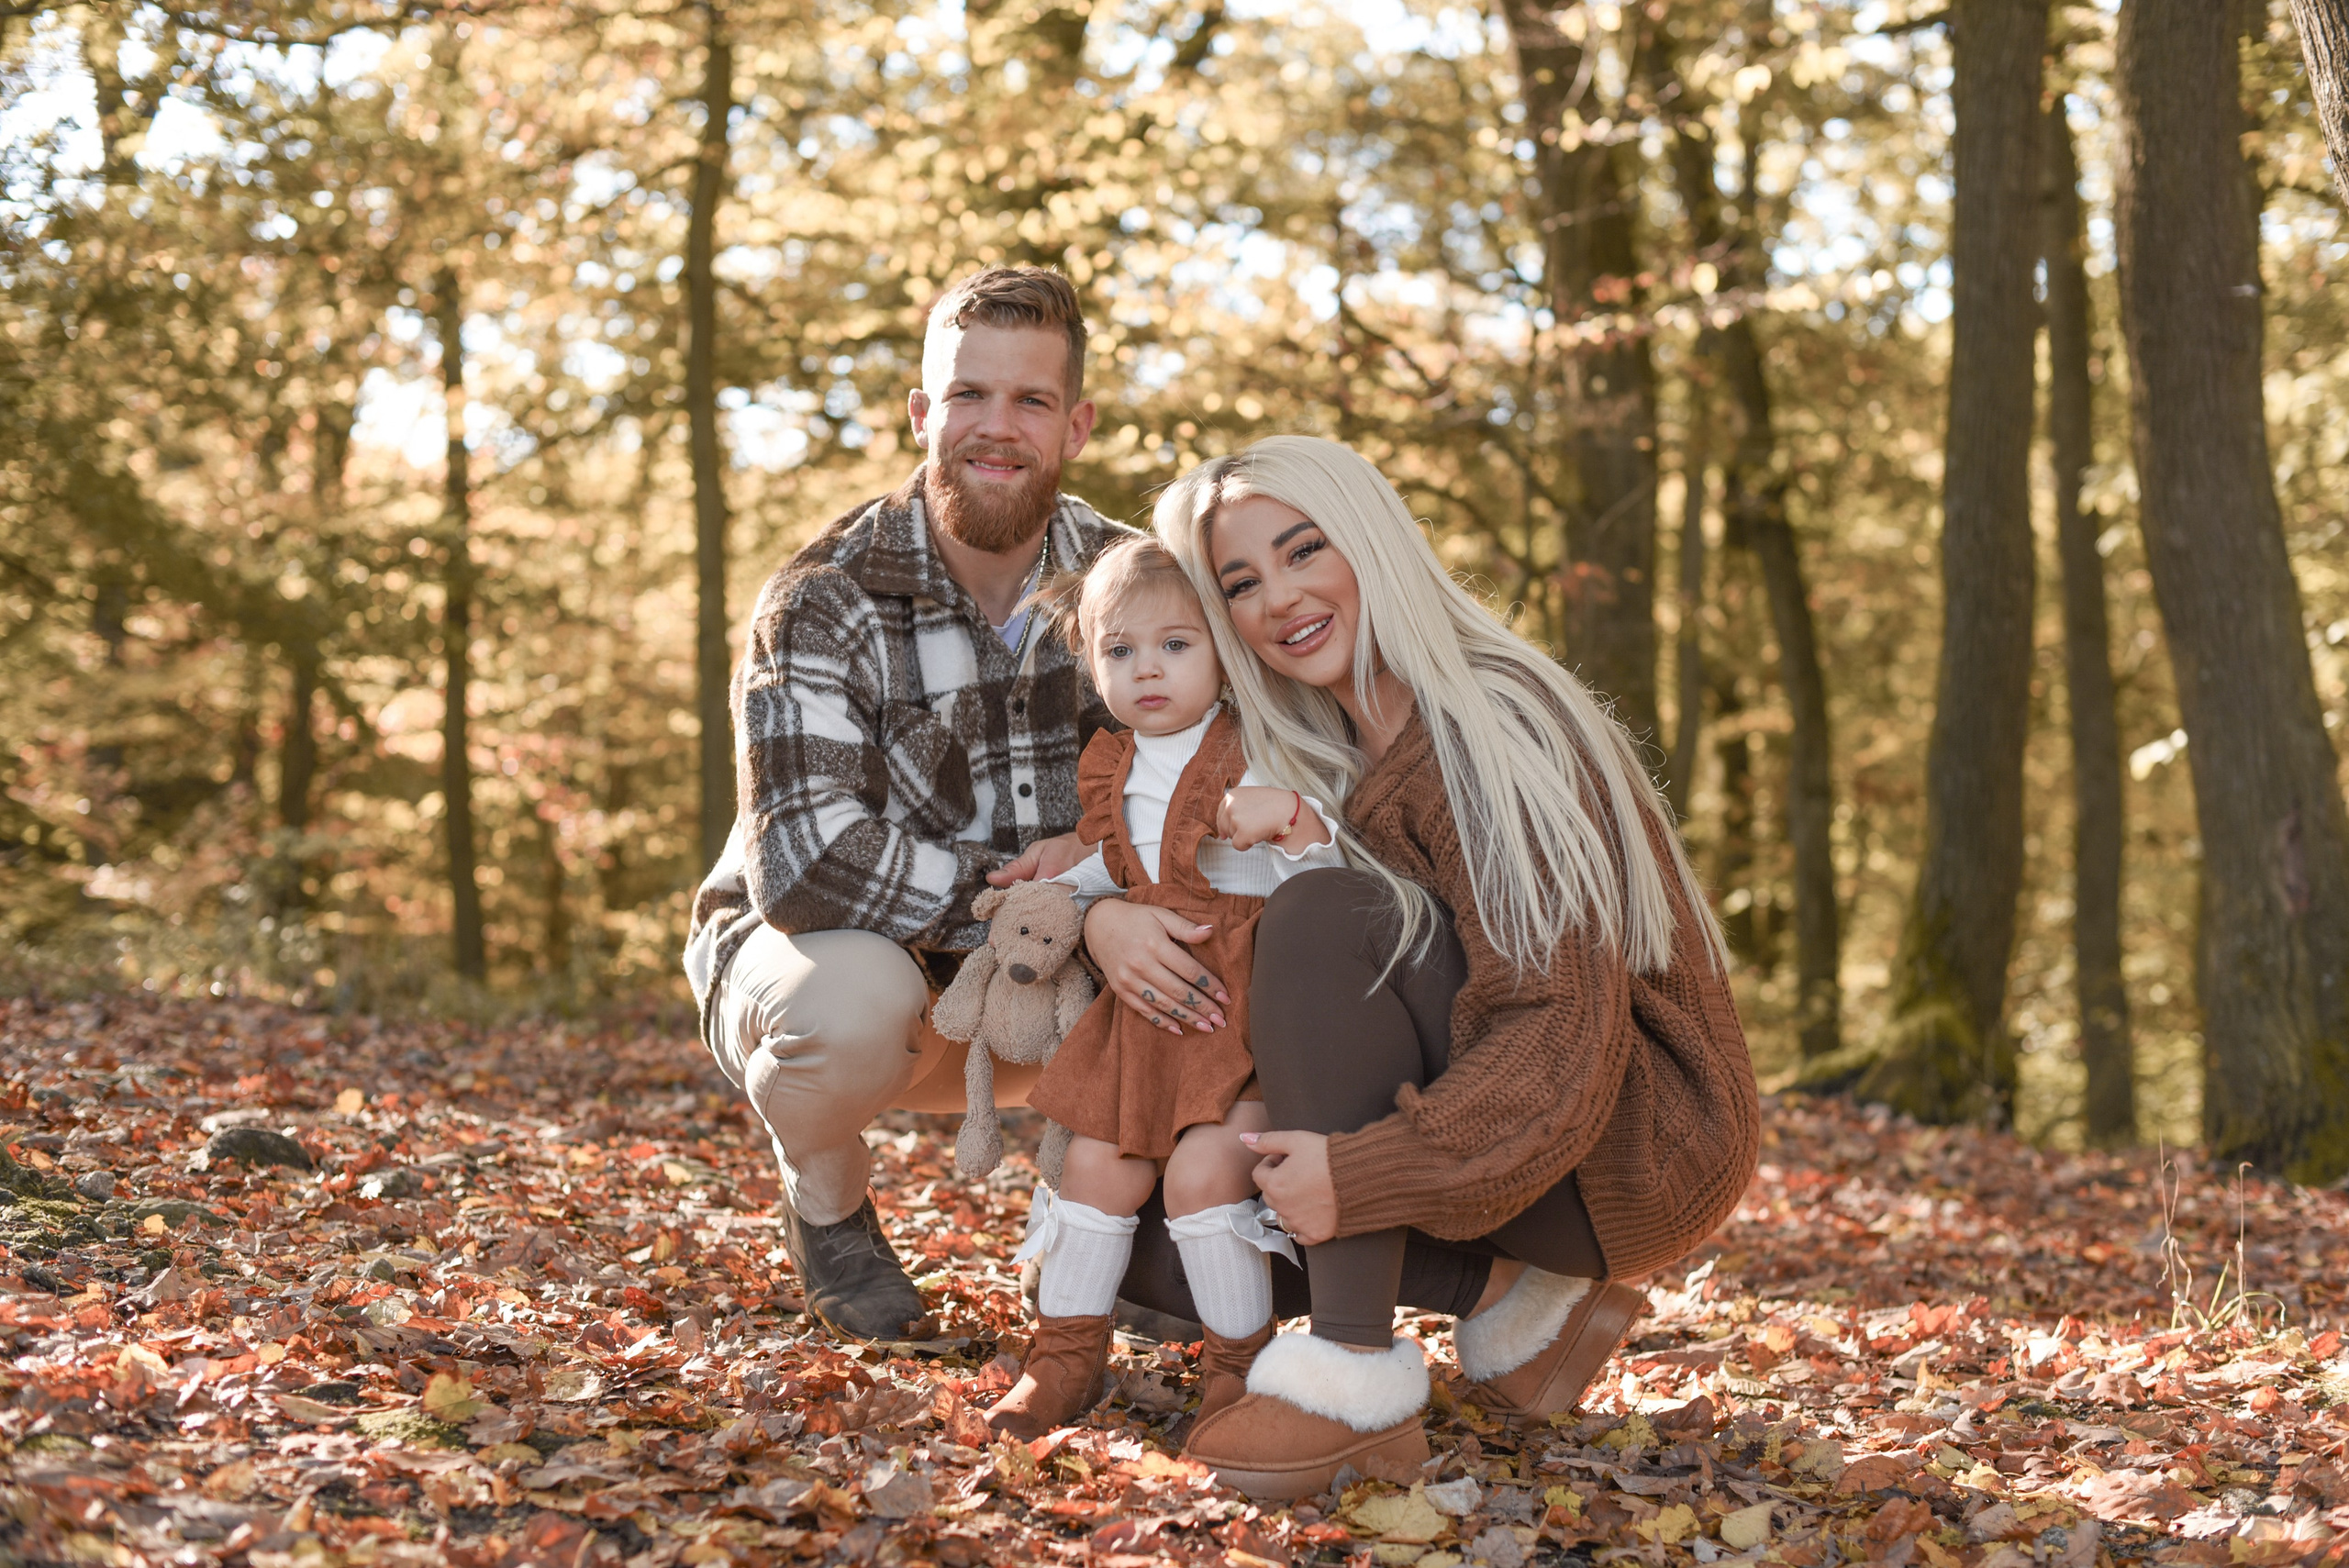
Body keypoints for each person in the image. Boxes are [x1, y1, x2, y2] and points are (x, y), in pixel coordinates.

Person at [1084, 435, 1760, 1498]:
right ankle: (1510, 1301)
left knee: (1324, 916)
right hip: (1497, 1128)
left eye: (1307, 550)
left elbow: (1558, 1030)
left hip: (1627, 1143)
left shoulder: (1489, 722)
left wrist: (1355, 1177)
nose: (1281, 597)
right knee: (1140, 1242)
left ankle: (1351, 1377)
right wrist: (1098, 924)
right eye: (1241, 583)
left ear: (1372, 541)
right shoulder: (1319, 749)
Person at [683, 266, 1122, 1340]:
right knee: (847, 1008)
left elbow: (1198, 798)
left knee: (1218, 953)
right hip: (869, 982)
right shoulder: (822, 595)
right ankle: (827, 1209)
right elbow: (809, 863)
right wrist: (1055, 894)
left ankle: (1120, 1230)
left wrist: (1108, 891)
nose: (996, 427)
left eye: (1029, 400)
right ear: (923, 412)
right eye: (968, 395)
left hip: (1059, 992)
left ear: (1075, 424)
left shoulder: (1133, 585)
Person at [984, 538, 1342, 1440]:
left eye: (1176, 645)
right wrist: (1063, 891)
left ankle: (1238, 1368)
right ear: (1092, 660)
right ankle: (1063, 1355)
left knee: (1201, 1171)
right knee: (1094, 1163)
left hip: (1242, 1011)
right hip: (1147, 1015)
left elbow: (1335, 884)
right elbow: (1115, 873)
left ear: (1222, 649)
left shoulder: (1259, 746)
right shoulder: (1112, 764)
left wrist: (1296, 823)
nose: (1147, 669)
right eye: (1120, 650)